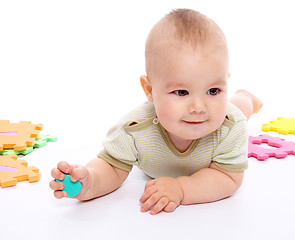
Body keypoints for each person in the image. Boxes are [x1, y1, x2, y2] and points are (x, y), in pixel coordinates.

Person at [50, 8, 262, 215]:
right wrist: (90, 181)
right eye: (181, 92)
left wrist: (181, 189)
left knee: (240, 109)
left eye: (213, 90)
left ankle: (246, 97)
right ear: (150, 90)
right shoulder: (135, 130)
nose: (199, 107)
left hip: (231, 115)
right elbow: (112, 167)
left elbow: (228, 177)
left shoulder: (229, 125)